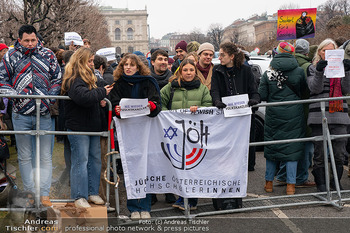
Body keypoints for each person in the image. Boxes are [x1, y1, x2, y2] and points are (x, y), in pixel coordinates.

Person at [0, 25, 61, 207]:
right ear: (19, 40)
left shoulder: (48, 54)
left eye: (33, 40)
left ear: (37, 38)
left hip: (43, 114)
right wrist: (16, 98)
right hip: (20, 115)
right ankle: (28, 194)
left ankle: (44, 193)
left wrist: (48, 99)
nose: (30, 44)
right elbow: (2, 80)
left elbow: (57, 78)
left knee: (45, 156)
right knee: (24, 156)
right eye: (26, 40)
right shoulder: (10, 56)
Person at [110, 54, 161, 220]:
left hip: (146, 133)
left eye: (132, 65)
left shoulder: (148, 82)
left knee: (146, 168)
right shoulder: (118, 84)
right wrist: (117, 110)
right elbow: (113, 103)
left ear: (138, 67)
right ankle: (133, 208)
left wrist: (152, 106)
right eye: (125, 65)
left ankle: (145, 206)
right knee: (130, 168)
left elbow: (157, 104)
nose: (128, 67)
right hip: (127, 134)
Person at [62, 47, 113, 208]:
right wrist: (101, 93)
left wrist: (103, 96)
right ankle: (79, 195)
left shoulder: (91, 76)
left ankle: (92, 192)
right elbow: (82, 97)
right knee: (80, 161)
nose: (92, 64)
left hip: (92, 126)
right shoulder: (73, 78)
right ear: (81, 61)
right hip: (78, 127)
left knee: (95, 161)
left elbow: (100, 91)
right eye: (89, 61)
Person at [161, 58, 212, 210]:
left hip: (194, 133)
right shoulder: (171, 87)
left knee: (191, 167)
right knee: (178, 166)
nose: (188, 73)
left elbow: (209, 105)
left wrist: (199, 108)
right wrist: (168, 116)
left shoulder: (202, 88)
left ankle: (191, 200)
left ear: (195, 72)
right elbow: (160, 102)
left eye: (191, 70)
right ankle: (182, 197)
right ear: (180, 72)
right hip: (175, 132)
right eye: (185, 70)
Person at [259, 42, 308, 195]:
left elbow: (262, 95)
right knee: (291, 149)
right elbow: (305, 92)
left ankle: (268, 184)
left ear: (277, 53)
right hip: (294, 114)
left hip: (274, 114)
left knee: (273, 148)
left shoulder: (268, 73)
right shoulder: (299, 71)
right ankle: (291, 186)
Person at [307, 39, 350, 192]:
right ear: (319, 52)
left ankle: (335, 182)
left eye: (332, 51)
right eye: (325, 51)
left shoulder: (340, 67)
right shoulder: (312, 68)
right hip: (319, 115)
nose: (328, 54)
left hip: (339, 114)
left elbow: (346, 89)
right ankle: (321, 184)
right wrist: (319, 71)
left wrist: (347, 71)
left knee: (339, 153)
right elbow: (314, 88)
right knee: (320, 153)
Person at [211, 42, 260, 172]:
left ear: (231, 56)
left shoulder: (246, 70)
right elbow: (214, 89)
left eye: (222, 55)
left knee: (248, 141)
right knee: (227, 142)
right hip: (226, 114)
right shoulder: (216, 70)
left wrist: (254, 99)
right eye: (219, 55)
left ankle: (248, 165)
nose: (219, 57)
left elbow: (253, 90)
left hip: (244, 114)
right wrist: (216, 101)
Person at [276, 39, 316, 188]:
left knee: (289, 145)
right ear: (307, 52)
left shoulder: (283, 65)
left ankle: (282, 175)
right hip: (304, 110)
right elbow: (309, 90)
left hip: (286, 111)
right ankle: (300, 177)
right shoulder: (306, 66)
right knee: (306, 146)